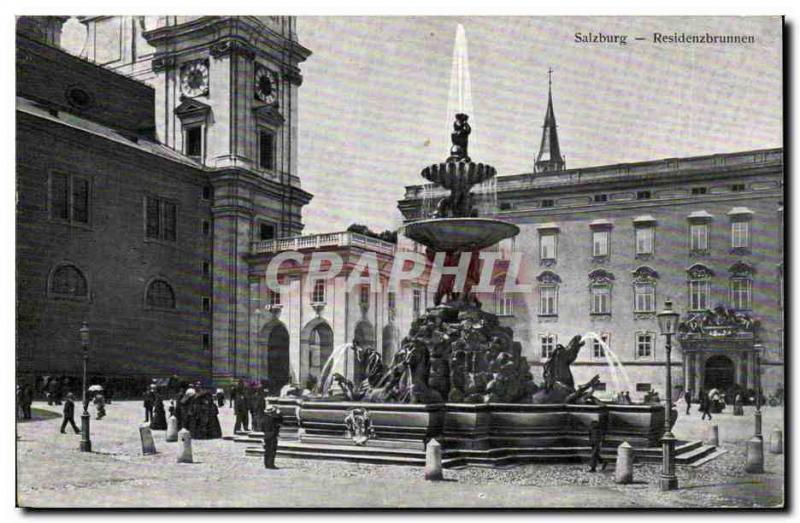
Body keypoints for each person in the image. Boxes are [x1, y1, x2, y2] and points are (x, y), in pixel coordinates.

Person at [261, 404, 284, 469]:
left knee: (267, 451)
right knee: (272, 451)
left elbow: (262, 428)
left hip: (266, 435)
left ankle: (266, 464)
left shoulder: (264, 418)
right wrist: (279, 413)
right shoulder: (274, 419)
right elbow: (281, 420)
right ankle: (271, 464)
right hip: (273, 436)